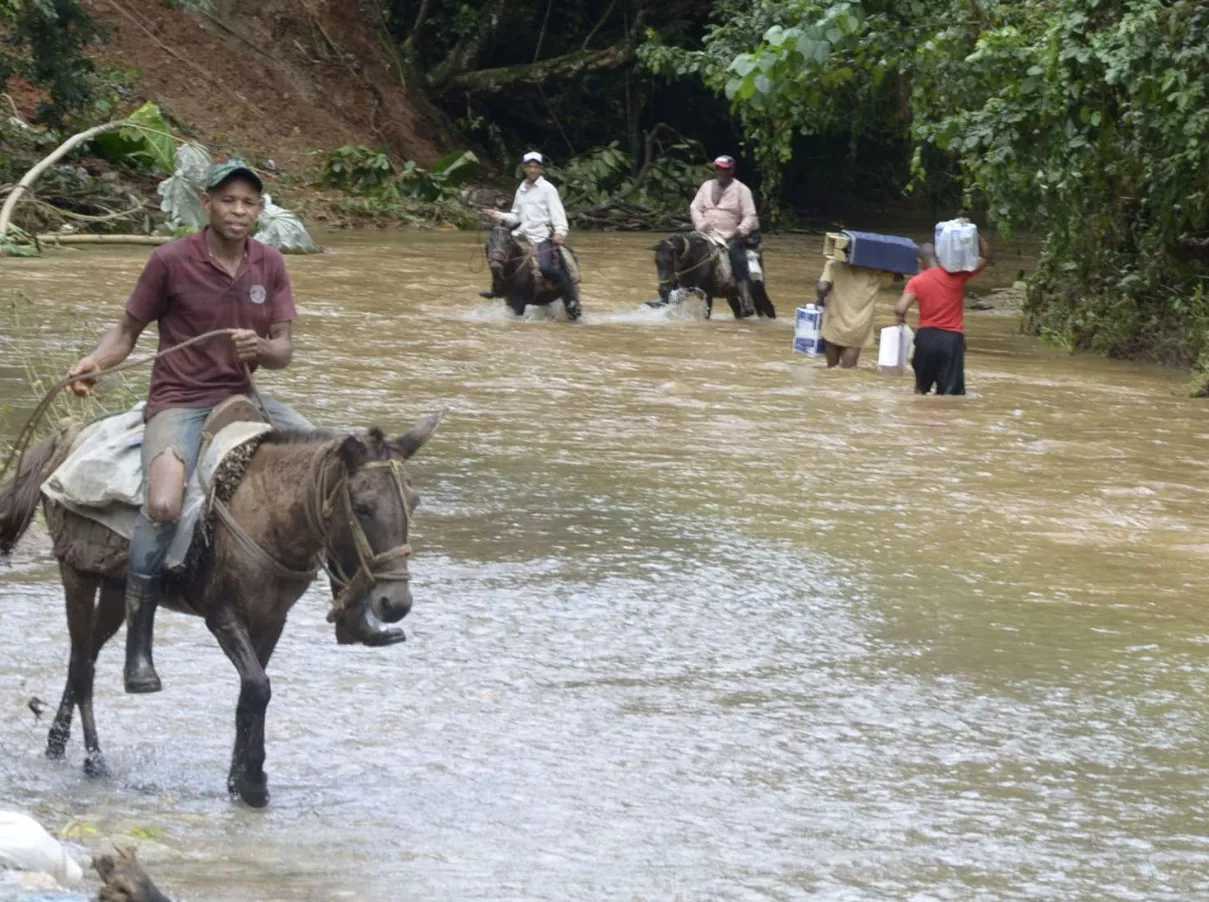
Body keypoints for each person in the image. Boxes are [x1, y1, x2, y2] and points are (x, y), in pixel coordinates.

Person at [66, 159, 313, 694]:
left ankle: (352, 605)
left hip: (243, 397)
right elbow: (127, 331)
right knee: (162, 505)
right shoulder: (171, 260)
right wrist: (95, 364)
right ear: (208, 204)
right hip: (179, 399)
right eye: (229, 200)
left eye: (249, 202)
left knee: (332, 460)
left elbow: (285, 350)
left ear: (260, 211)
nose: (239, 211)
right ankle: (139, 648)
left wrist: (263, 349)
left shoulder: (269, 263)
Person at [480, 151, 580, 320]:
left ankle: (569, 295)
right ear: (524, 168)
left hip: (541, 236)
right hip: (521, 234)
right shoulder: (522, 188)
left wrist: (560, 232)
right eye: (529, 167)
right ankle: (497, 287)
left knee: (547, 268)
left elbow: (558, 213)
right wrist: (498, 215)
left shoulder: (548, 189)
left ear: (540, 169)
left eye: (536, 167)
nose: (532, 170)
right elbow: (516, 215)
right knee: (497, 251)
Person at [893, 236, 991, 395]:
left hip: (926, 338)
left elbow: (900, 308)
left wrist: (900, 322)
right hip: (952, 339)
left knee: (920, 390)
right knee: (950, 394)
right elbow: (985, 257)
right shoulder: (957, 275)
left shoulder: (917, 281)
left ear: (919, 261)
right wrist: (975, 235)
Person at [689, 155, 759, 317]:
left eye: (724, 169)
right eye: (718, 168)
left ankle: (745, 299)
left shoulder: (742, 190)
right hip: (704, 234)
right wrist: (700, 224)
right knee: (683, 250)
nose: (720, 172)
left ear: (731, 170)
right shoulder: (706, 186)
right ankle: (672, 289)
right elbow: (695, 207)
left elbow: (750, 215)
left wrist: (740, 230)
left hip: (729, 236)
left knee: (737, 256)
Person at [815, 258, 896, 368]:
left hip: (834, 320)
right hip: (859, 325)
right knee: (848, 371)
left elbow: (822, 287)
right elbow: (897, 277)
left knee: (831, 369)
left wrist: (819, 302)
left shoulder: (834, 264)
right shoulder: (876, 271)